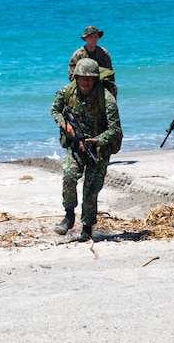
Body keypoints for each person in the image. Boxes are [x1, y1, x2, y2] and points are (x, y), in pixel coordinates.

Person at [50, 57, 123, 241]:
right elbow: (55, 110)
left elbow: (115, 130)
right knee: (69, 177)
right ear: (76, 78)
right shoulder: (67, 92)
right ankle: (68, 216)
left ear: (96, 80)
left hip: (98, 149)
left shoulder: (106, 99)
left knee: (91, 190)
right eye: (81, 78)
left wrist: (96, 141)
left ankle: (87, 227)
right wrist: (64, 124)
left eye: (89, 78)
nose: (85, 81)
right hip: (76, 145)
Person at [67, 25, 117, 96]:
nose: (93, 39)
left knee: (113, 89)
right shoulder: (78, 54)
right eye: (90, 37)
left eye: (95, 37)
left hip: (99, 82)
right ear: (86, 38)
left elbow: (109, 72)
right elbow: (71, 72)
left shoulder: (103, 53)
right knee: (67, 92)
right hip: (82, 83)